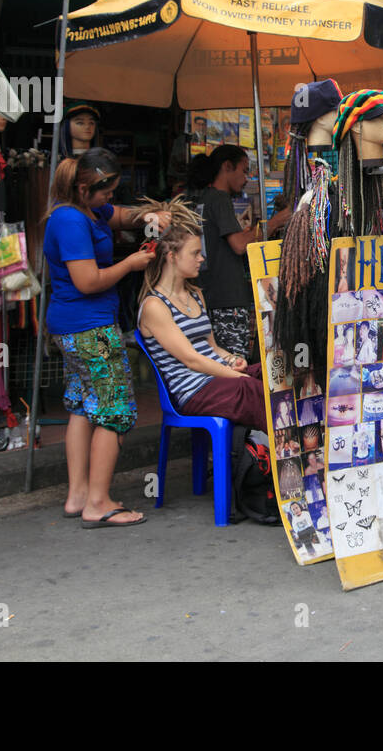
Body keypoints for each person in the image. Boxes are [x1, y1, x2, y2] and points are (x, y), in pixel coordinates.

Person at [43, 148, 168, 528]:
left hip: (74, 327)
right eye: (106, 192)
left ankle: (78, 494)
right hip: (89, 328)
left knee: (84, 405)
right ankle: (98, 502)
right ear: (84, 188)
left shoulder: (87, 211)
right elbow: (87, 281)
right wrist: (130, 264)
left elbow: (121, 215)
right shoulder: (69, 221)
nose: (110, 199)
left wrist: (149, 216)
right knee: (114, 409)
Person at [136, 220, 266, 432]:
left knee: (271, 371)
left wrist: (232, 360)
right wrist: (239, 376)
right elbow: (191, 360)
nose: (201, 259)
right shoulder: (155, 306)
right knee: (250, 387)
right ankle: (289, 452)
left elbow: (213, 348)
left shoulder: (195, 294)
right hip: (193, 390)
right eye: (195, 253)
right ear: (172, 257)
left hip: (217, 379)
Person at [187, 145, 287, 364]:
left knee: (218, 362)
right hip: (227, 299)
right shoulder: (219, 199)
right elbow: (239, 245)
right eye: (243, 170)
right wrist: (277, 221)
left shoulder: (203, 198)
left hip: (210, 296)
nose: (246, 177)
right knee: (234, 364)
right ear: (227, 167)